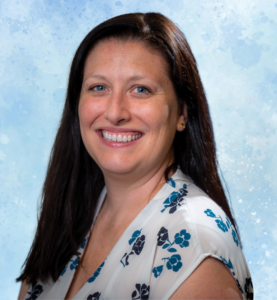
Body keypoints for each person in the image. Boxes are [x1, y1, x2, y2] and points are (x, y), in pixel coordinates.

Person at [17, 12, 253, 300]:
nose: (115, 112)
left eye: (140, 89)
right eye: (98, 87)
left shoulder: (196, 245)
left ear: (182, 113)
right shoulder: (71, 213)